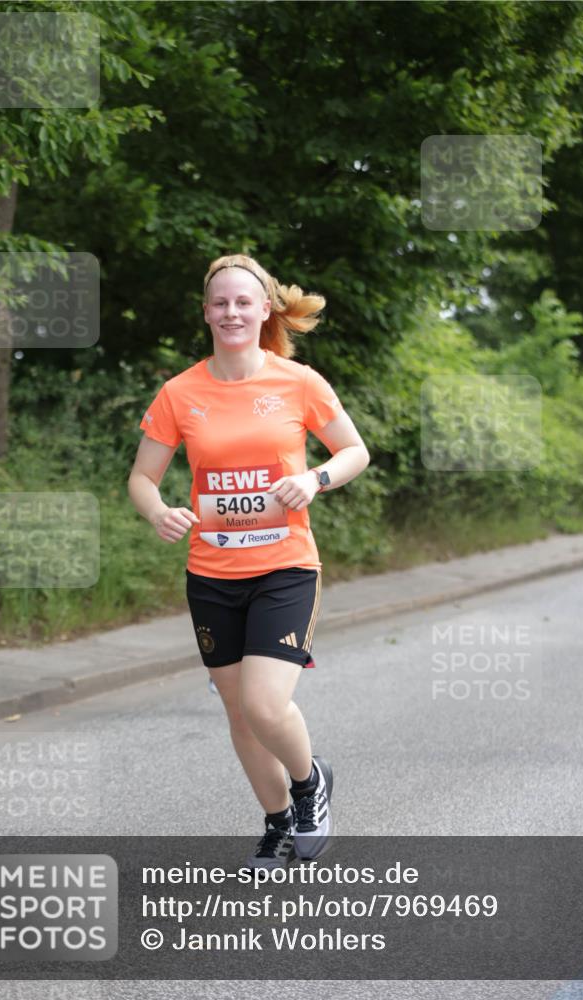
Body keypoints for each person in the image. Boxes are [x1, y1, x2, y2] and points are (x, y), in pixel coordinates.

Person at [128, 253, 370, 870]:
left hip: (286, 566)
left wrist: (315, 480)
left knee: (265, 703)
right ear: (206, 312)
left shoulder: (300, 382)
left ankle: (310, 781)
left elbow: (353, 451)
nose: (231, 312)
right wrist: (157, 512)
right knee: (238, 710)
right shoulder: (180, 392)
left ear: (264, 310)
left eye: (243, 302)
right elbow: (142, 478)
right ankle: (277, 822)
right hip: (211, 574)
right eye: (220, 303)